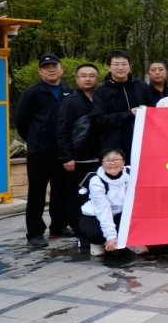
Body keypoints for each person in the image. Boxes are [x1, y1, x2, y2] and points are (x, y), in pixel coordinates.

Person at [16, 54, 74, 247]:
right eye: (46, 67)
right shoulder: (33, 92)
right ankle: (34, 233)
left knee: (61, 191)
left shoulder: (68, 91)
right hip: (39, 153)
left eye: (54, 66)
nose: (51, 70)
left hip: (62, 152)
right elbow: (21, 121)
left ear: (61, 69)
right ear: (40, 71)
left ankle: (58, 226)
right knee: (37, 192)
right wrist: (34, 139)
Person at [57, 63, 101, 236]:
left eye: (91, 75)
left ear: (97, 79)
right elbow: (63, 130)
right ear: (77, 79)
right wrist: (67, 157)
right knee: (75, 196)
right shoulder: (71, 102)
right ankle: (77, 230)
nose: (87, 79)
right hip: (77, 159)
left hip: (99, 158)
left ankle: (95, 230)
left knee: (95, 195)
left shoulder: (100, 99)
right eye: (83, 76)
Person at [78, 148, 147, 256]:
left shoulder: (131, 173)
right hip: (97, 214)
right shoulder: (96, 181)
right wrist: (111, 236)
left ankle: (128, 241)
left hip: (121, 212)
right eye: (108, 160)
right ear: (102, 163)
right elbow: (103, 210)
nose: (112, 163)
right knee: (96, 233)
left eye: (116, 159)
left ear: (123, 161)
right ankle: (98, 242)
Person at [90, 50, 152, 165]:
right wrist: (128, 114)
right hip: (114, 145)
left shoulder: (141, 85)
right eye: (116, 64)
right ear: (108, 67)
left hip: (142, 142)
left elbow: (152, 108)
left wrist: (146, 109)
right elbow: (98, 118)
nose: (120, 68)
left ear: (129, 66)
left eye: (124, 64)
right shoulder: (102, 91)